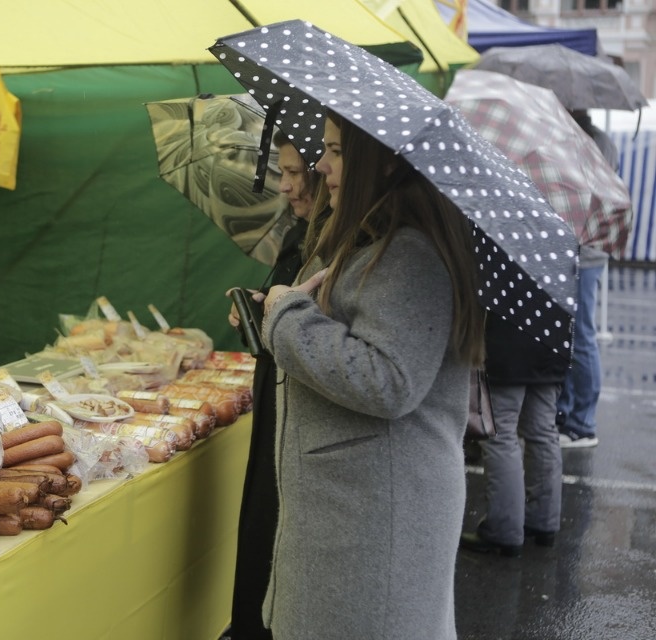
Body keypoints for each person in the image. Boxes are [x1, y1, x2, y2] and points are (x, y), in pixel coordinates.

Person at [257, 113, 485, 639]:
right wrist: (278, 311)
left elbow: (387, 380)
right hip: (360, 509)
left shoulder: (407, 253)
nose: (320, 166)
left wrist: (288, 317)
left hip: (374, 518)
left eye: (335, 152)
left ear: (381, 162)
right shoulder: (377, 243)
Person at [225, 129, 325, 640]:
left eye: (294, 172)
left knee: (278, 526)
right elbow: (282, 313)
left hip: (298, 412)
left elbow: (318, 337)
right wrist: (258, 304)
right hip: (273, 396)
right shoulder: (297, 236)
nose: (284, 187)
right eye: (281, 172)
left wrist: (279, 312)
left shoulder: (340, 244)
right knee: (261, 520)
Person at [459, 315, 568, 557]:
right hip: (552, 337)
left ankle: (504, 529)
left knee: (501, 433)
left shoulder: (504, 276)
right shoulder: (558, 275)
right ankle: (542, 520)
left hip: (510, 340)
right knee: (542, 429)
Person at [556, 110, 618, 448]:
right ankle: (567, 416)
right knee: (571, 335)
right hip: (581, 249)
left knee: (579, 336)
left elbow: (583, 193)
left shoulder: (590, 141)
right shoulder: (595, 139)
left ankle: (582, 423)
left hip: (585, 250)